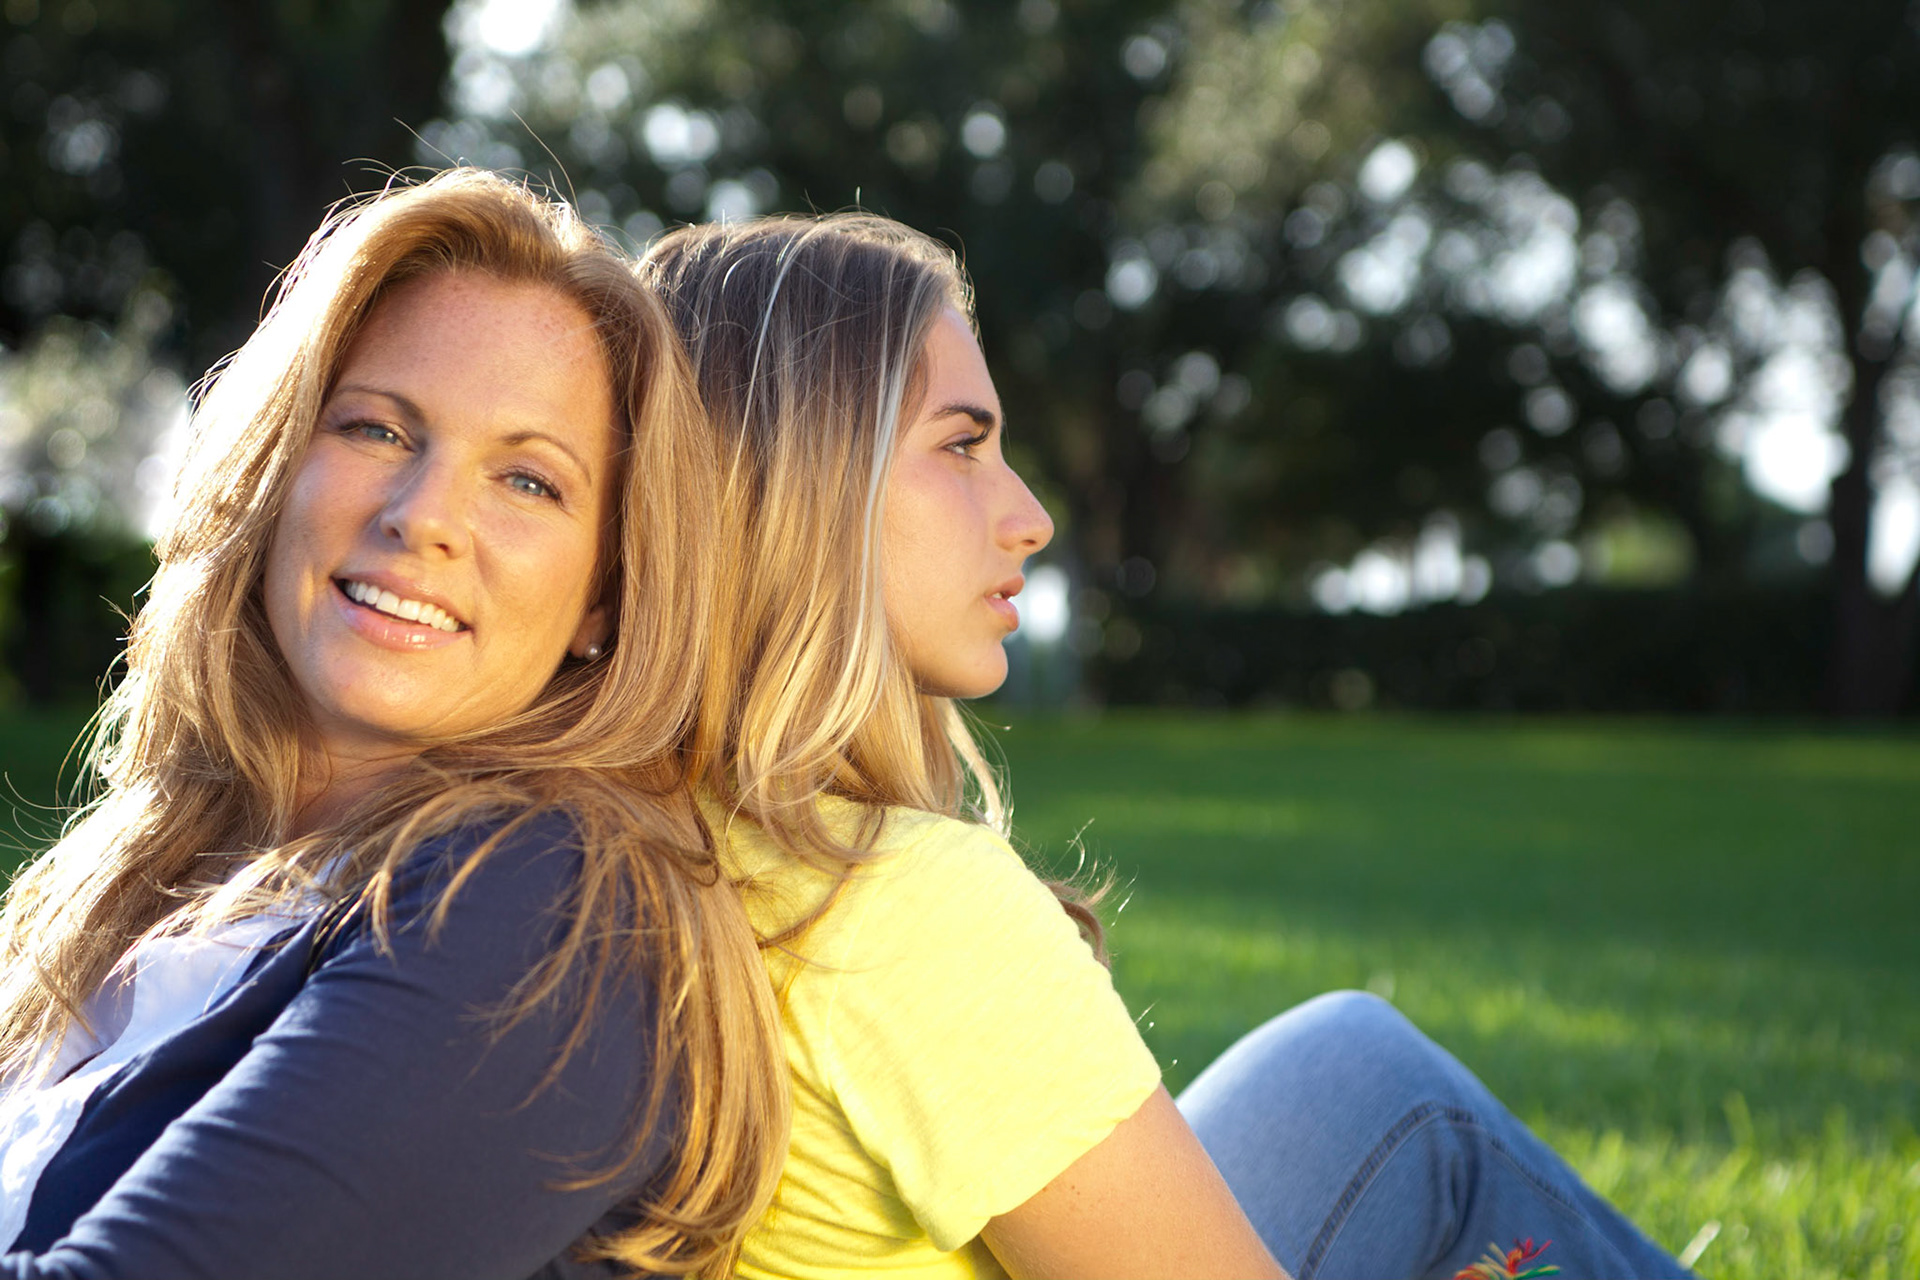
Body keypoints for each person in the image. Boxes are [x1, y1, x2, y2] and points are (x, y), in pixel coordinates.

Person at [641, 215, 1695, 1280]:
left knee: (1357, 1062)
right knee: (1415, 1113)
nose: (1032, 517)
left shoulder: (647, 839)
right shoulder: (900, 906)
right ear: (793, 484)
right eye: (961, 444)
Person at [0, 169, 786, 1280]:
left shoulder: (552, 907)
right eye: (375, 428)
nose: (423, 517)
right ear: (273, 466)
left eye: (528, 481)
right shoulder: (142, 882)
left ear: (604, 597)